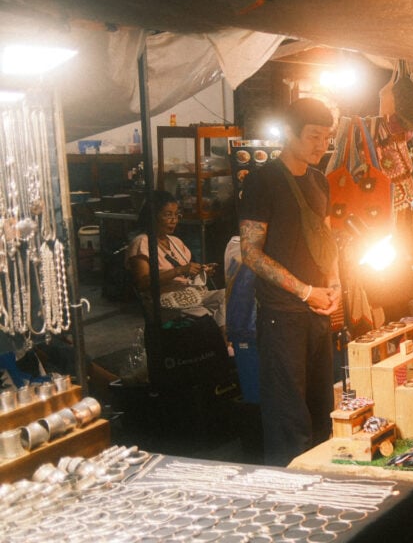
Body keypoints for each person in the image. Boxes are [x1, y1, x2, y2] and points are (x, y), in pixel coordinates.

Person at [238, 98, 341, 466]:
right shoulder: (262, 182)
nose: (321, 145)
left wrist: (334, 286)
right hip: (282, 315)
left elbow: (326, 240)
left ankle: (324, 491)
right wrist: (306, 292)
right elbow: (249, 253)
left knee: (322, 412)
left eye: (327, 137)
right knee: (288, 419)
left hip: (318, 312)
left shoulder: (319, 181)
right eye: (314, 136)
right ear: (289, 133)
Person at [125, 190, 224, 326]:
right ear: (153, 216)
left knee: (230, 297)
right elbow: (143, 283)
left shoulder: (175, 242)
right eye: (168, 215)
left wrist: (201, 271)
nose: (174, 220)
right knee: (205, 318)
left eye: (176, 215)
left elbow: (187, 274)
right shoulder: (142, 242)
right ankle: (222, 341)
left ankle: (224, 340)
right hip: (165, 302)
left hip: (191, 293)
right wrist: (179, 271)